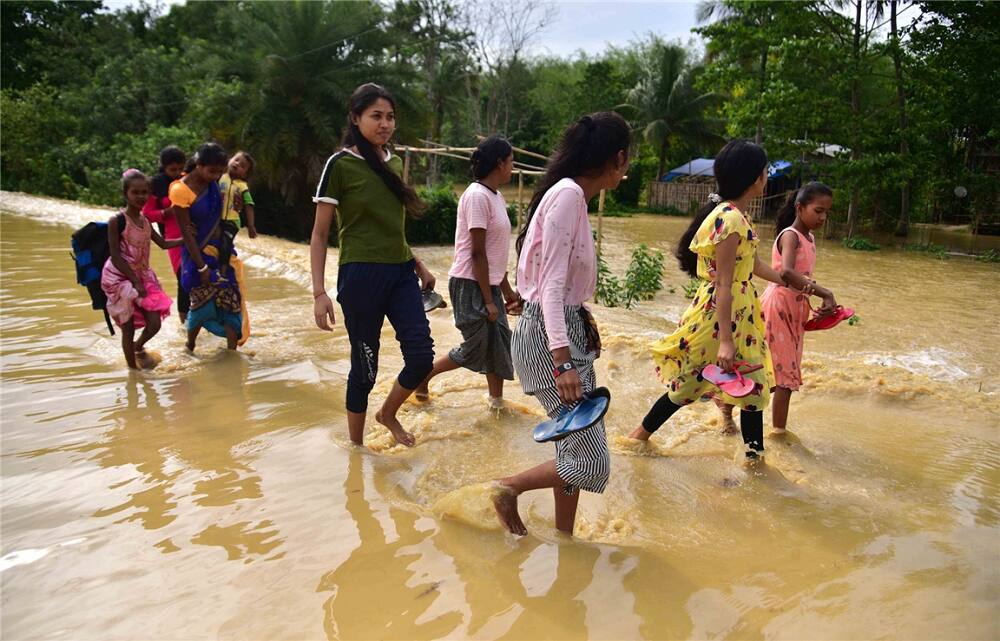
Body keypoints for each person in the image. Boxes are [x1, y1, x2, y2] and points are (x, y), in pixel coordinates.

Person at [628, 140, 811, 463]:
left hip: (740, 313)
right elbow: (725, 282)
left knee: (753, 389)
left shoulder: (733, 215)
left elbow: (749, 265)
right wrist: (725, 341)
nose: (766, 176)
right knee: (690, 385)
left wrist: (785, 278)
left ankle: (754, 461)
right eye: (765, 171)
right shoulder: (731, 220)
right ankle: (636, 439)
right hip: (722, 317)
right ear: (756, 177)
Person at [491, 112, 630, 536]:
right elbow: (550, 287)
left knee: (573, 446)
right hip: (551, 341)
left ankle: (564, 537)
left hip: (559, 332)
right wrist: (563, 360)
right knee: (590, 459)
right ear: (618, 158)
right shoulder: (569, 196)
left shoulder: (570, 195)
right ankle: (507, 488)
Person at [310, 83, 436, 448]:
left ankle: (388, 414)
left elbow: (391, 227)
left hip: (400, 273)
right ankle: (357, 452)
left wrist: (419, 265)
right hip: (360, 277)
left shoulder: (393, 162)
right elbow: (319, 235)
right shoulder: (340, 165)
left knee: (421, 356)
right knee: (364, 369)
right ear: (355, 118)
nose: (385, 124)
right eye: (376, 116)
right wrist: (319, 293)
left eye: (391, 117)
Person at [414, 135, 522, 408]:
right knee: (476, 346)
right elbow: (476, 253)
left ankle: (496, 403)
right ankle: (422, 376)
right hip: (470, 283)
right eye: (511, 162)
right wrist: (487, 300)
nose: (513, 167)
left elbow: (495, 253)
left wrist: (507, 292)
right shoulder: (476, 196)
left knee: (498, 344)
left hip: (489, 283)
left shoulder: (496, 197)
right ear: (499, 163)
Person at [757, 182, 838, 433]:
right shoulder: (790, 235)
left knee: (774, 371)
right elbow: (788, 272)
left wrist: (821, 304)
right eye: (818, 211)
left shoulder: (809, 237)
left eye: (827, 212)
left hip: (794, 309)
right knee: (784, 378)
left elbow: (801, 278)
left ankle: (728, 410)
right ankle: (778, 435)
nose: (823, 217)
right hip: (778, 307)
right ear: (800, 208)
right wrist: (825, 292)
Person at [101, 169, 182, 369]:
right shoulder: (117, 221)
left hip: (143, 275)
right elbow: (116, 256)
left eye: (144, 192)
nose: (140, 197)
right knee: (127, 328)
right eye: (135, 192)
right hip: (119, 278)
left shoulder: (146, 221)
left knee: (154, 323)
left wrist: (188, 239)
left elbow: (163, 243)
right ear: (125, 194)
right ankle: (133, 372)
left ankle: (138, 347)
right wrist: (134, 282)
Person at [171, 142, 245, 352]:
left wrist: (236, 207)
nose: (215, 176)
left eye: (220, 172)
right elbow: (186, 233)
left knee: (231, 300)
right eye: (212, 171)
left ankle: (232, 353)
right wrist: (202, 267)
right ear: (198, 165)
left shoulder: (216, 185)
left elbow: (225, 213)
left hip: (221, 251)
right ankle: (190, 345)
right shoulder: (180, 191)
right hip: (197, 256)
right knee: (201, 305)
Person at [142, 145, 188, 322]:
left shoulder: (187, 180)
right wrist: (165, 213)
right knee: (183, 279)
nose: (176, 173)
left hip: (195, 233)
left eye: (179, 168)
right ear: (163, 167)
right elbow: (146, 215)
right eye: (172, 169)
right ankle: (184, 324)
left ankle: (200, 321)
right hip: (173, 237)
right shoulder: (156, 184)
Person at [219, 151, 258, 238]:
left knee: (225, 245)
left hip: (232, 221)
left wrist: (251, 226)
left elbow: (249, 205)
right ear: (230, 159)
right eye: (236, 160)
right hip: (216, 218)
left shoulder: (243, 186)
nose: (237, 164)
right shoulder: (219, 177)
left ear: (245, 174)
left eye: (242, 166)